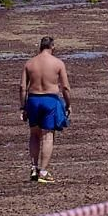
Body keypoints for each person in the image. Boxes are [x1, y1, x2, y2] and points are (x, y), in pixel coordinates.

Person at [20, 36, 72, 184]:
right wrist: (68, 104)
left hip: (33, 100)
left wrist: (23, 106)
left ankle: (34, 167)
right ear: (52, 47)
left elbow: (23, 87)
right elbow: (65, 87)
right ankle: (43, 171)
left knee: (34, 134)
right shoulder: (58, 63)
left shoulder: (30, 63)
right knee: (48, 136)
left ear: (40, 47)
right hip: (49, 100)